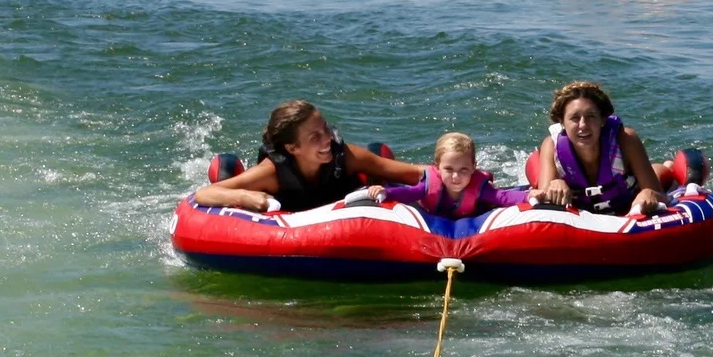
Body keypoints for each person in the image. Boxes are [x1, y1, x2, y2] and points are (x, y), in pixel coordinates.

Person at [192, 101, 420, 213]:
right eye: (315, 137)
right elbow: (204, 194)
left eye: (325, 128)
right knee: (225, 171)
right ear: (293, 148)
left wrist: (442, 174)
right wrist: (245, 196)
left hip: (345, 202)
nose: (327, 139)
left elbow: (414, 173)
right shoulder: (272, 173)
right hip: (289, 216)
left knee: (377, 156)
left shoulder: (345, 156)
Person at [532, 81, 667, 217]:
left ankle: (667, 167)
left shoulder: (626, 140)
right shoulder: (551, 146)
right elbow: (543, 199)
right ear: (562, 122)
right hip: (582, 212)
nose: (583, 125)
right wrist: (555, 185)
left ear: (603, 119)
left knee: (663, 173)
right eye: (575, 118)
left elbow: (660, 195)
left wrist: (649, 193)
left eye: (591, 116)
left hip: (625, 204)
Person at [377, 132, 528, 217]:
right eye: (449, 169)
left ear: (474, 167)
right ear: (437, 167)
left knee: (491, 198)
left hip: (472, 216)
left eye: (463, 170)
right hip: (430, 213)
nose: (456, 177)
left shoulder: (480, 189)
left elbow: (502, 196)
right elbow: (410, 193)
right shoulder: (428, 186)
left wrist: (528, 197)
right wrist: (386, 192)